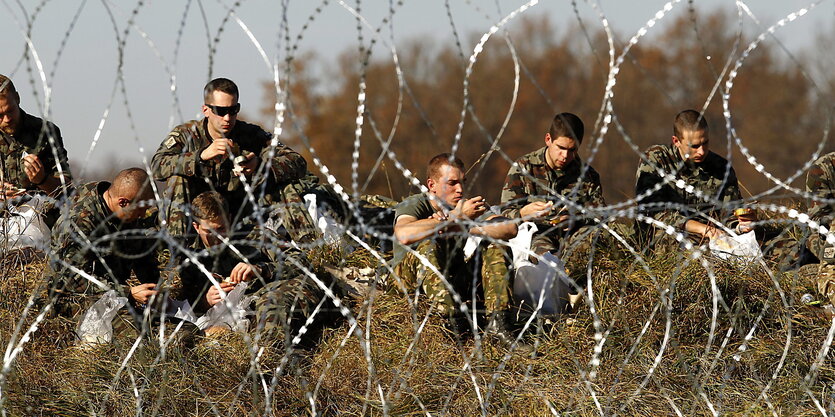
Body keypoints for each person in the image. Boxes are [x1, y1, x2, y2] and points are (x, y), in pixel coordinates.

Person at [151, 77, 318, 244]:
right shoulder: (187, 135)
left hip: (240, 219)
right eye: (220, 111)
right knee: (178, 179)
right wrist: (200, 156)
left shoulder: (251, 135)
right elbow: (157, 165)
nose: (227, 118)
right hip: (199, 223)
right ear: (206, 110)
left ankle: (311, 250)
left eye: (233, 110)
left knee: (283, 183)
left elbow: (298, 162)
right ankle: (177, 252)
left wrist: (259, 166)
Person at [177, 190, 334, 348]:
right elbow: (183, 306)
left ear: (230, 220)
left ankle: (270, 358)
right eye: (209, 232)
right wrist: (206, 301)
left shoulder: (255, 236)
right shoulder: (189, 260)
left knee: (271, 303)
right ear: (196, 227)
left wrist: (262, 269)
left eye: (222, 229)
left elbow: (302, 263)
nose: (217, 237)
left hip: (278, 295)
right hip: (239, 316)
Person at [46, 168, 182, 343]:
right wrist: (128, 293)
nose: (144, 215)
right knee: (138, 339)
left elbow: (141, 256)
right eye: (141, 210)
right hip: (76, 302)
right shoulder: (79, 222)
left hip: (117, 298)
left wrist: (155, 291)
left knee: (183, 332)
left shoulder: (128, 213)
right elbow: (73, 279)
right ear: (123, 202)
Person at [393, 153, 518, 340]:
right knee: (429, 245)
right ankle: (453, 324)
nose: (460, 189)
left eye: (462, 182)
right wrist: (454, 218)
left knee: (494, 244)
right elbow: (403, 234)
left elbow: (510, 228)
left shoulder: (464, 208)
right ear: (431, 185)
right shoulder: (415, 203)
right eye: (452, 183)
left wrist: (466, 225)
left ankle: (498, 323)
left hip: (453, 279)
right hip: (408, 282)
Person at [500, 112, 604, 295]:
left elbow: (600, 216)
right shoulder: (524, 168)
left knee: (597, 242)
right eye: (561, 148)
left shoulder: (587, 176)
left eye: (573, 150)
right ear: (548, 139)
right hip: (537, 237)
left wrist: (575, 218)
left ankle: (579, 297)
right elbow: (504, 213)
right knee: (547, 260)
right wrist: (523, 213)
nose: (565, 155)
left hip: (573, 238)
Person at [0, 74, 73, 252]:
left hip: (39, 218)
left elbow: (67, 193)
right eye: (0, 115)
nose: (7, 119)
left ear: (17, 98)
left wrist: (42, 179)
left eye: (10, 111)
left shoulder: (45, 132)